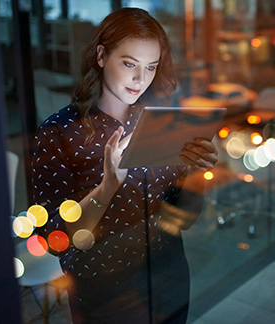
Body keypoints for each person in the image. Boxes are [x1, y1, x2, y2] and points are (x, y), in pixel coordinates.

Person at [31, 8, 217, 323]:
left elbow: (183, 218)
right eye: (129, 63)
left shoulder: (159, 120)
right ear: (102, 56)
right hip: (106, 293)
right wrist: (108, 187)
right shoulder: (60, 131)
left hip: (168, 277)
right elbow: (54, 237)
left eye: (150, 67)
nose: (140, 79)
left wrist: (198, 171)